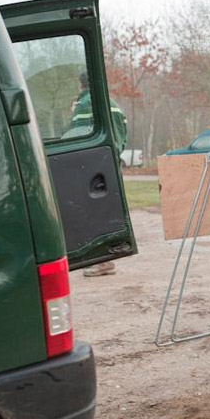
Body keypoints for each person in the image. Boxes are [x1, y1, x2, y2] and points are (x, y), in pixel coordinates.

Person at [70, 71, 129, 278]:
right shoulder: (114, 105)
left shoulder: (85, 105)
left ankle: (102, 261)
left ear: (81, 85)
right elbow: (123, 135)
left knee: (91, 213)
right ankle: (108, 258)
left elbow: (74, 136)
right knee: (107, 212)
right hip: (111, 163)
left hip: (90, 168)